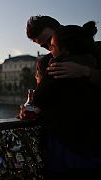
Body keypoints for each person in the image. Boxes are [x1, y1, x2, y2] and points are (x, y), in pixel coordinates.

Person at [29, 21, 101, 179]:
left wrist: (85, 72)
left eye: (50, 42)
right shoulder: (90, 55)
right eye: (44, 45)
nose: (48, 48)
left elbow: (40, 97)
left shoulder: (56, 63)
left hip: (66, 144)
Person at [26, 15, 101, 88]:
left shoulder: (97, 49)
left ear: (62, 29)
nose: (50, 48)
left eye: (50, 40)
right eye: (45, 46)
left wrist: (85, 71)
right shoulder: (43, 64)